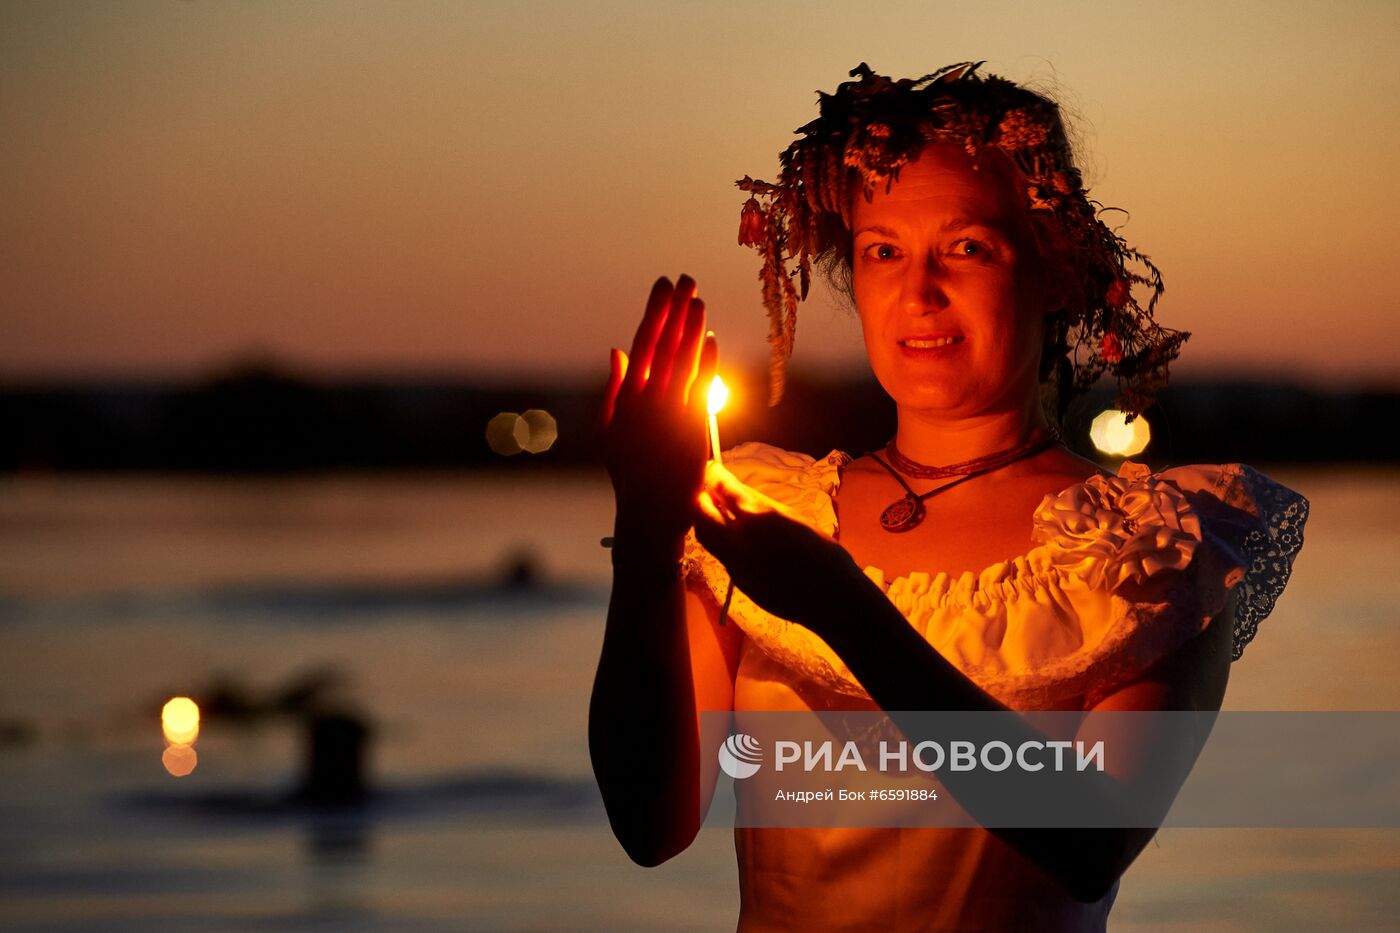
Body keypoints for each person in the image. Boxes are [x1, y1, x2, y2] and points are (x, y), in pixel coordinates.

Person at [589, 62, 1309, 931]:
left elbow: (1088, 843)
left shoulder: (1154, 551)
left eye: (966, 247)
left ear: (1057, 271)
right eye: (883, 250)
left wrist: (843, 609)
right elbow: (650, 826)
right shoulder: (759, 511)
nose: (918, 291)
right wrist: (646, 535)